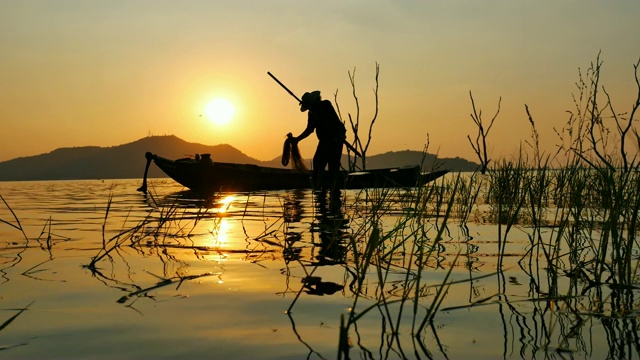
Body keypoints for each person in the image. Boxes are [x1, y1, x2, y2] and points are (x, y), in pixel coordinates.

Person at [290, 90, 346, 191]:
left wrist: (339, 135)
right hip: (325, 140)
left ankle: (333, 192)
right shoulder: (311, 113)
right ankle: (321, 191)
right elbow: (310, 129)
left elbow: (333, 122)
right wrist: (298, 139)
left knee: (331, 166)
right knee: (318, 164)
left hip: (335, 140)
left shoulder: (326, 105)